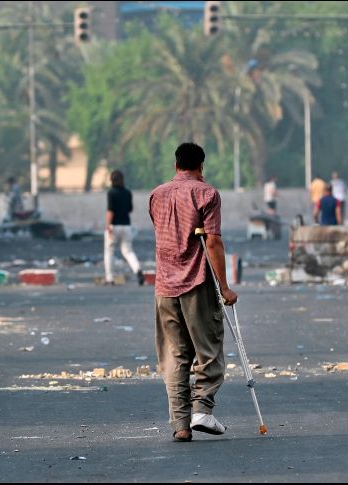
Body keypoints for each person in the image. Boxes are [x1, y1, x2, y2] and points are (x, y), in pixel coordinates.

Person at [149, 142, 237, 443]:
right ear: (201, 165)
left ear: (176, 166)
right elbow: (212, 242)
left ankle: (181, 425)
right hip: (197, 283)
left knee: (174, 356)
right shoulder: (207, 194)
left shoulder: (156, 195)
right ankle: (202, 409)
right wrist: (224, 287)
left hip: (164, 286)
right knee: (209, 349)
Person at [104, 170, 144, 286]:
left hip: (114, 225)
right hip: (126, 226)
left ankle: (109, 277)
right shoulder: (127, 193)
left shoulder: (111, 193)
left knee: (109, 251)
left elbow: (110, 210)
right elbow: (130, 209)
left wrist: (108, 225)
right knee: (128, 251)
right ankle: (137, 270)